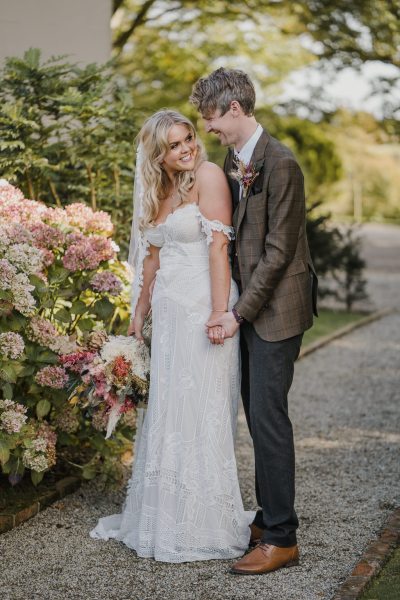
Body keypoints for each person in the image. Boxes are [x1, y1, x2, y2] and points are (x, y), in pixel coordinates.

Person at [90, 109, 252, 562]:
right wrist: (138, 314)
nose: (186, 149)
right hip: (169, 315)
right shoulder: (158, 190)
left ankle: (205, 520)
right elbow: (150, 263)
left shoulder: (209, 176)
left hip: (204, 306)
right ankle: (163, 514)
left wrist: (221, 313)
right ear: (158, 156)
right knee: (168, 409)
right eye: (174, 146)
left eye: (188, 139)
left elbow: (220, 248)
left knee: (202, 408)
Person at [190, 68, 318, 575]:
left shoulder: (281, 163)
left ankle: (283, 539)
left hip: (277, 310)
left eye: (212, 119)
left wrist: (237, 313)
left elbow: (280, 252)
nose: (210, 129)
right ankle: (267, 518)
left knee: (268, 418)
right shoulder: (234, 158)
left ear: (236, 110)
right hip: (249, 307)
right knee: (255, 415)